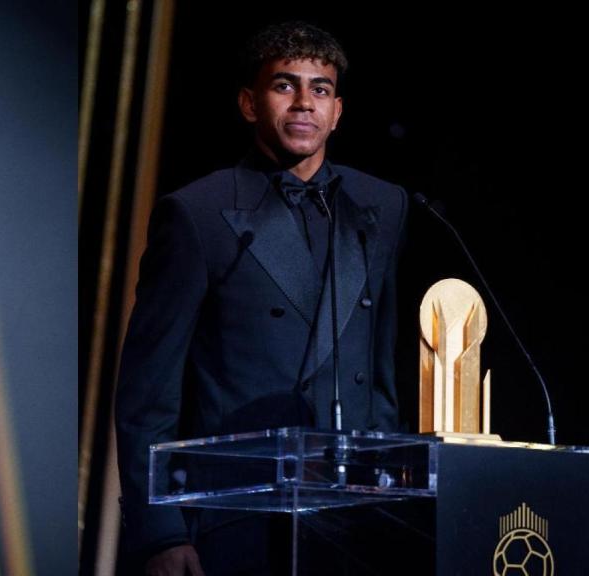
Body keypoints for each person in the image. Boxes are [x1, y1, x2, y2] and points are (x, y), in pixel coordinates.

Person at [115, 22, 407, 575]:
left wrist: (388, 495)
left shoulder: (383, 206)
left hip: (353, 514)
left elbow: (381, 367)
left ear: (338, 110)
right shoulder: (198, 212)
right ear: (250, 103)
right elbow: (147, 393)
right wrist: (160, 534)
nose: (304, 103)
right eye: (284, 86)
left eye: (320, 89)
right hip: (233, 513)